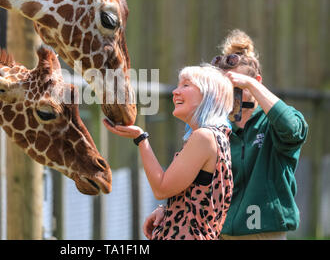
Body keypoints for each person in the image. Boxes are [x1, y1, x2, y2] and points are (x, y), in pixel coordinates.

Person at [144, 29, 309, 240]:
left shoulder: (271, 122)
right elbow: (196, 183)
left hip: (264, 234)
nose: (231, 91)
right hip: (219, 233)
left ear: (257, 81)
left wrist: (249, 84)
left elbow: (293, 130)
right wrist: (167, 210)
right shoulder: (216, 130)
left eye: (237, 85)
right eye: (223, 86)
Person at [104, 65, 234, 240]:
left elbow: (161, 188)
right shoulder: (218, 137)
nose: (175, 92)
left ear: (212, 95)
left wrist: (141, 139)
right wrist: (166, 211)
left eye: (186, 85)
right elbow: (198, 202)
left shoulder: (204, 137)